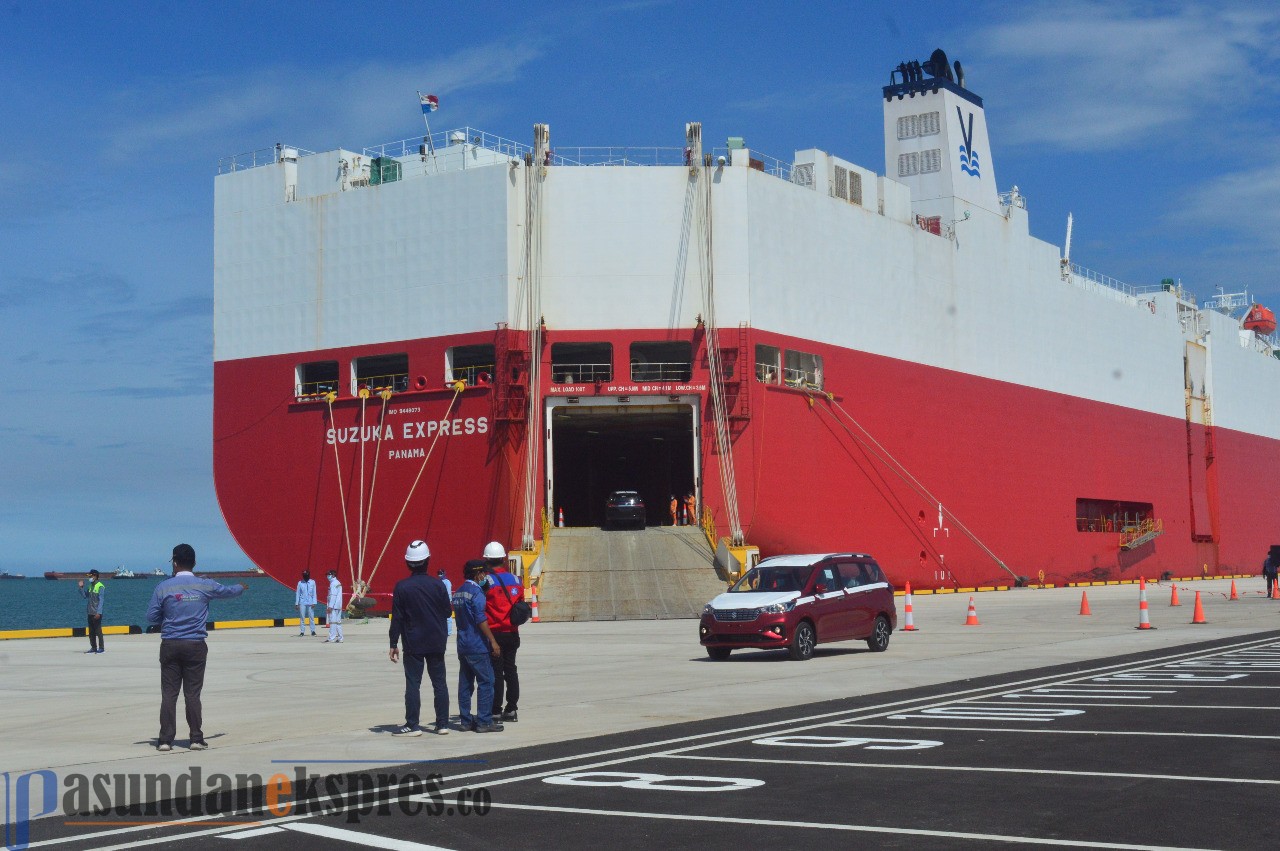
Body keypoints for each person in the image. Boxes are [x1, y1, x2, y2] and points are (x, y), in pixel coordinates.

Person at [146, 543, 247, 751]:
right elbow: (228, 592)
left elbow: (151, 617)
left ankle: (165, 740)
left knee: (169, 694)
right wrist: (240, 587)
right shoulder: (205, 585)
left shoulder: (163, 587)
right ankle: (195, 738)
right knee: (192, 694)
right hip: (195, 645)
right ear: (194, 563)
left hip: (171, 644)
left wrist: (168, 615)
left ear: (174, 563)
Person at [388, 540, 452, 736]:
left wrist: (393, 643)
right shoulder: (438, 585)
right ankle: (442, 724)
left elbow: (397, 618)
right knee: (439, 683)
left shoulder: (402, 587)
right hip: (436, 641)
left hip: (413, 642)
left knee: (413, 684)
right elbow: (447, 613)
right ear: (428, 560)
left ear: (408, 563)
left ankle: (412, 725)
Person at [453, 559, 503, 733]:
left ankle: (465, 721)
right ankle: (484, 721)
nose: (486, 576)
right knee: (487, 682)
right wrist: (493, 641)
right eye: (484, 573)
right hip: (477, 645)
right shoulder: (476, 592)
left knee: (465, 684)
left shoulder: (458, 592)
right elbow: (480, 619)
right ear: (478, 574)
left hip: (462, 645)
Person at [481, 541, 523, 722]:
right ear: (503, 559)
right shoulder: (516, 580)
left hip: (495, 634)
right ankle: (512, 709)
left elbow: (480, 606)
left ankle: (496, 710)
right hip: (512, 633)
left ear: (487, 561)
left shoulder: (485, 582)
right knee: (511, 670)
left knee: (496, 673)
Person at [77, 570, 106, 654]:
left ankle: (101, 648)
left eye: (91, 576)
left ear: (96, 576)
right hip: (90, 612)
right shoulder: (90, 586)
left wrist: (99, 612)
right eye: (89, 576)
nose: (90, 578)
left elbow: (101, 600)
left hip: (96, 613)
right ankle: (93, 647)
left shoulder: (100, 586)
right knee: (91, 632)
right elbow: (85, 596)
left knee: (98, 631)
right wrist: (81, 588)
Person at [295, 570, 318, 636]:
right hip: (302, 602)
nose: (305, 576)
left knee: (311, 617)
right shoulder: (300, 583)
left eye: (306, 575)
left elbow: (314, 593)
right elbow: (298, 593)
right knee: (302, 617)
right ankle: (302, 631)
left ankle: (313, 631)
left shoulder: (312, 582)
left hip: (310, 602)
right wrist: (297, 603)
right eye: (304, 575)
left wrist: (314, 602)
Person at [324, 570, 343, 643]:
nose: (327, 576)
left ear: (333, 575)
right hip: (338, 605)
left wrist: (330, 607)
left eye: (328, 575)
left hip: (334, 606)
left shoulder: (333, 584)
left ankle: (331, 638)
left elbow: (333, 596)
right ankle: (340, 638)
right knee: (338, 622)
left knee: (332, 622)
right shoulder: (338, 582)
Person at [437, 568, 455, 636]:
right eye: (438, 573)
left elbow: (448, 592)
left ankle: (449, 632)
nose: (439, 575)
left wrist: (449, 600)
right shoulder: (438, 581)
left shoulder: (447, 582)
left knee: (448, 617)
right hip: (439, 601)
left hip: (446, 600)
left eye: (441, 573)